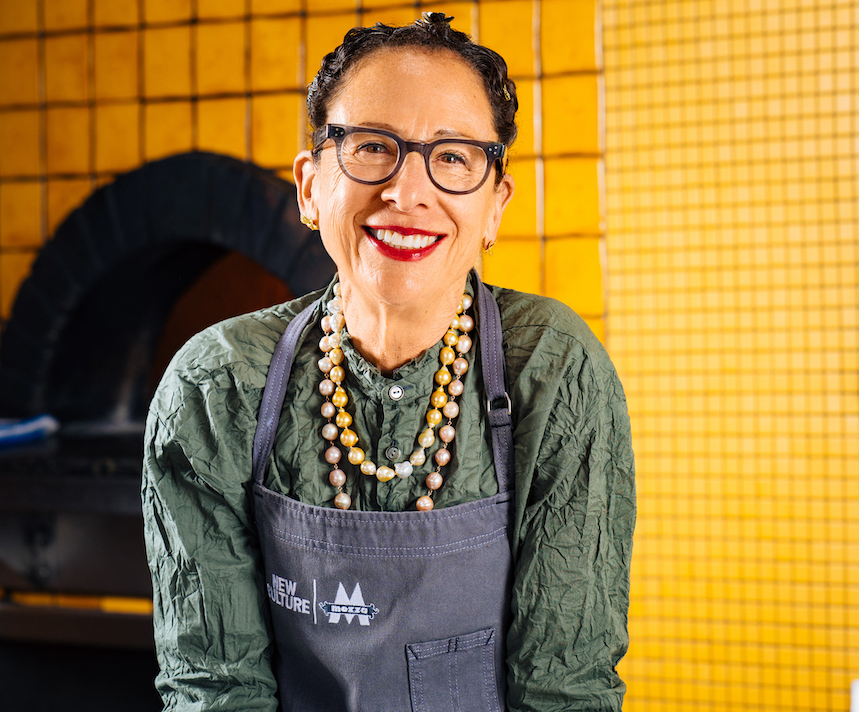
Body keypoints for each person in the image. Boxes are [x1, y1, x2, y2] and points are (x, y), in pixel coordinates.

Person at [142, 13, 635, 712]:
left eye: (455, 156)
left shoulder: (552, 368)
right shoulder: (217, 384)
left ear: (496, 205)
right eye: (373, 146)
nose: (407, 192)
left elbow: (565, 686)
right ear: (311, 187)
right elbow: (215, 688)